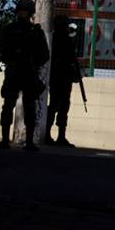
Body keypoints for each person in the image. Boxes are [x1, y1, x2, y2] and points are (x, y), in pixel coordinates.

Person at [0, 0, 50, 151]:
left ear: (30, 13)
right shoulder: (10, 29)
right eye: (21, 10)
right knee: (8, 105)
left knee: (29, 107)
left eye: (25, 10)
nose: (22, 13)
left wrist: (33, 64)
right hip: (14, 71)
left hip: (28, 73)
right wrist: (10, 59)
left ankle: (29, 141)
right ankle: (5, 140)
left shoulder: (35, 32)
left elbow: (45, 55)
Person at [45, 16, 82, 147]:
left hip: (61, 78)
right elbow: (70, 60)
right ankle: (51, 135)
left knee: (61, 106)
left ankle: (59, 136)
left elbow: (72, 61)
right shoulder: (60, 40)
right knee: (57, 105)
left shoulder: (58, 39)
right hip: (59, 78)